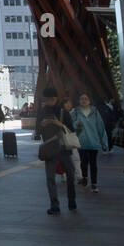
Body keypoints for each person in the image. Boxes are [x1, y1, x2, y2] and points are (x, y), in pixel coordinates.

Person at [37, 86, 76, 214]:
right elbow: (37, 131)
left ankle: (72, 201)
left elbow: (72, 130)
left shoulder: (63, 112)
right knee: (50, 178)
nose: (49, 101)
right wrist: (42, 126)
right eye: (47, 99)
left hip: (64, 147)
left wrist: (60, 124)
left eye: (51, 99)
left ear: (56, 98)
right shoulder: (42, 111)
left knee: (70, 174)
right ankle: (54, 205)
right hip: (50, 148)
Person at [71, 92, 108, 192]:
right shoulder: (75, 112)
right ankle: (85, 177)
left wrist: (104, 142)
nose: (83, 100)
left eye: (86, 99)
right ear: (78, 100)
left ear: (90, 101)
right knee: (83, 162)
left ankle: (94, 184)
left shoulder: (95, 111)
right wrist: (76, 124)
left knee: (93, 163)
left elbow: (100, 127)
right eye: (81, 99)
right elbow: (70, 125)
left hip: (93, 141)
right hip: (81, 142)